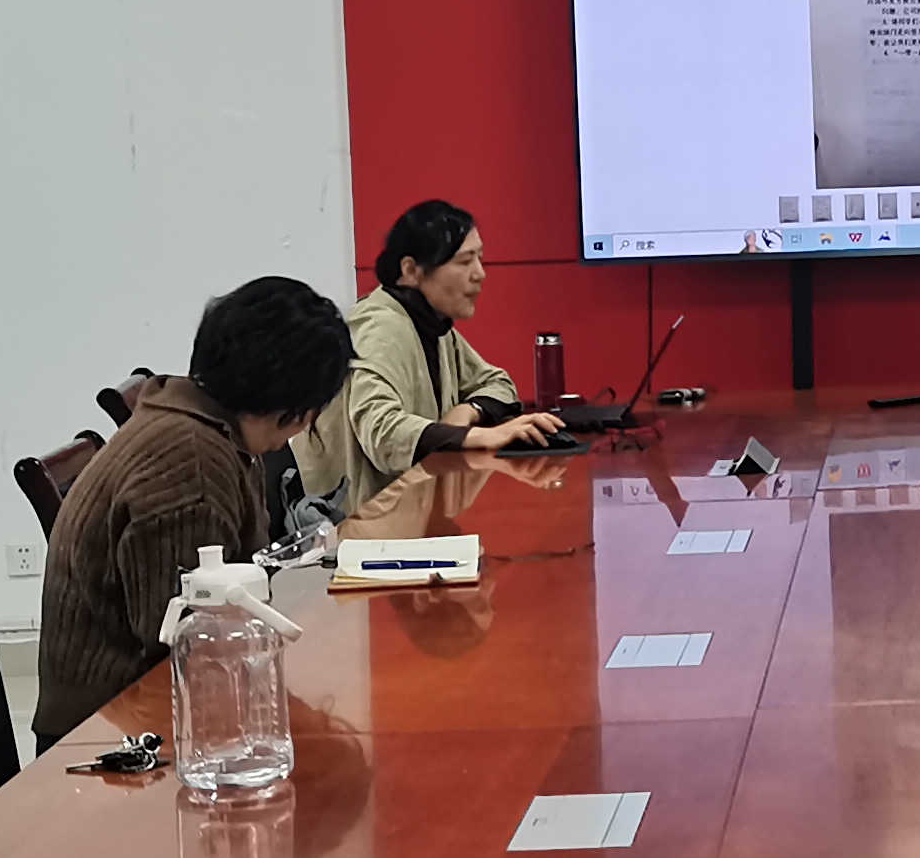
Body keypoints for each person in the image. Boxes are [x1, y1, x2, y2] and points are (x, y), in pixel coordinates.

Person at [37, 273, 355, 743]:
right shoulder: (192, 466)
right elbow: (192, 646)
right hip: (113, 742)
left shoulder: (200, 420)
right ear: (297, 405)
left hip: (139, 715)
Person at [298, 200, 574, 516]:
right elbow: (383, 434)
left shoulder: (432, 324)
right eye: (464, 261)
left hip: (410, 512)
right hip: (361, 525)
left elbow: (498, 383)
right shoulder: (380, 327)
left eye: (480, 259)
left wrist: (468, 411)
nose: (480, 274)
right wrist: (480, 436)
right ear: (411, 270)